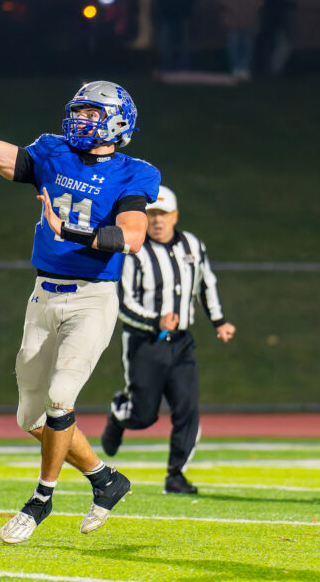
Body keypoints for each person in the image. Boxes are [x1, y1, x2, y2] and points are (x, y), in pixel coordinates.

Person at [0, 80, 160, 544]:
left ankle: (41, 499)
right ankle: (106, 480)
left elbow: (132, 237)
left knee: (61, 398)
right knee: (32, 419)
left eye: (90, 114)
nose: (79, 120)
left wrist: (72, 232)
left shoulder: (134, 173)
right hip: (43, 295)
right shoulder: (52, 152)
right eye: (78, 112)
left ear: (117, 121)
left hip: (92, 297)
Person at [100, 185, 235, 494]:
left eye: (163, 214)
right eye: (152, 215)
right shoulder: (134, 249)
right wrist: (153, 320)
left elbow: (206, 284)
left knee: (188, 410)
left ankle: (176, 476)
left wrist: (219, 321)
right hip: (144, 342)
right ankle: (120, 413)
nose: (157, 221)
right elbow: (122, 300)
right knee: (143, 415)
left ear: (175, 216)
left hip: (181, 343)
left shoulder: (192, 245)